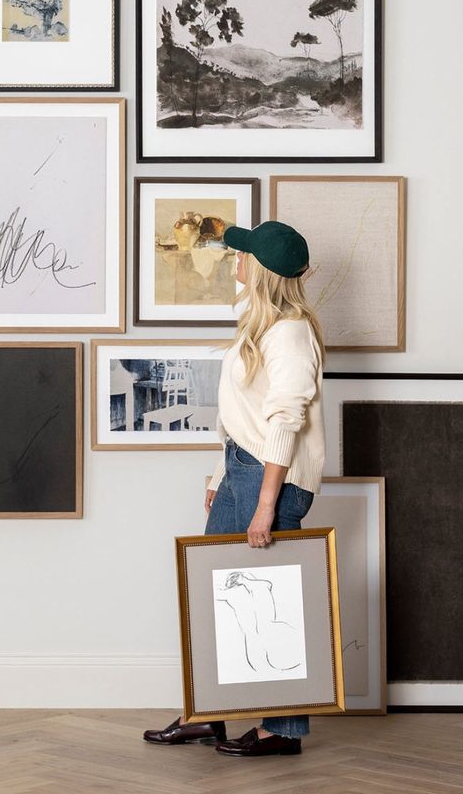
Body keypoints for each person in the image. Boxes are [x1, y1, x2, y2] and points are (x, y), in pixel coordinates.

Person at [143, 220, 325, 758]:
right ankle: (209, 716)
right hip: (243, 471)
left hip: (271, 479)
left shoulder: (289, 333)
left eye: (242, 255)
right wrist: (223, 478)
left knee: (268, 606)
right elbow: (242, 414)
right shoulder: (260, 321)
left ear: (260, 271)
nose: (234, 260)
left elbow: (285, 420)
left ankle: (281, 731)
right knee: (211, 596)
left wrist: (265, 505)